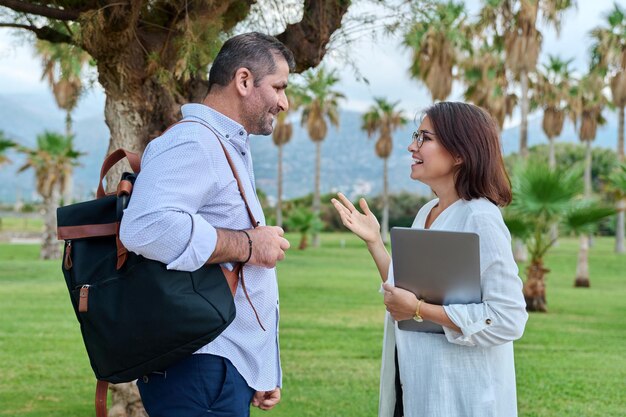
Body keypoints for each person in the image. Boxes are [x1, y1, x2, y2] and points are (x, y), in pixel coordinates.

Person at [119, 32, 294, 416]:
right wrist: (249, 245)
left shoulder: (223, 144)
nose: (285, 102)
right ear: (244, 81)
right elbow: (145, 226)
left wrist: (257, 368)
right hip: (199, 366)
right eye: (279, 87)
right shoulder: (194, 142)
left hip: (219, 366)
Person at [331, 101, 528, 417]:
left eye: (425, 137)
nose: (412, 146)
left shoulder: (481, 218)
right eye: (415, 136)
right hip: (416, 380)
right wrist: (374, 242)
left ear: (460, 153)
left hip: (461, 394)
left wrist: (420, 310)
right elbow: (406, 288)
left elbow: (508, 317)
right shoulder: (427, 212)